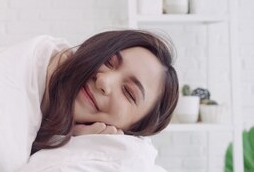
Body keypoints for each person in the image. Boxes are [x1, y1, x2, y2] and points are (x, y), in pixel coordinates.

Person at [32, 29, 180, 154]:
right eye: (108, 62)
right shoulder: (40, 63)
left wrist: (73, 143)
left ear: (134, 128)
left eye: (128, 92)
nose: (104, 81)